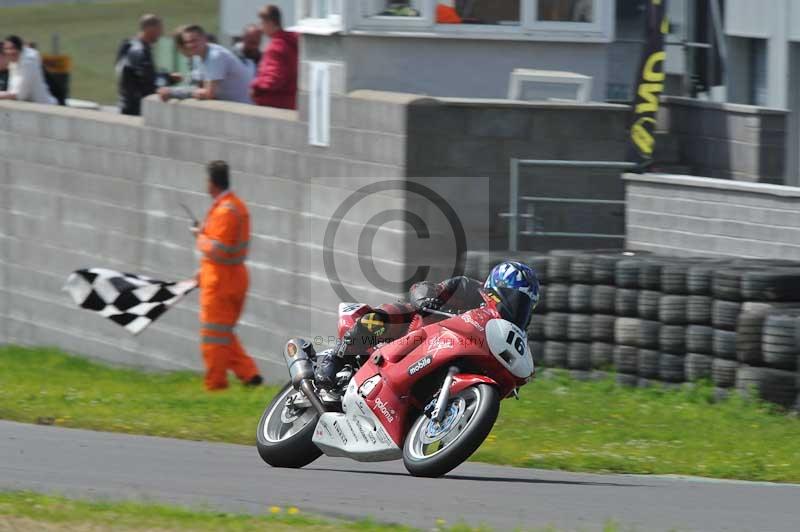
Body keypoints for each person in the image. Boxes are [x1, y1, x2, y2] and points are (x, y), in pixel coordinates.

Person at [315, 261, 540, 387]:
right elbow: (426, 288)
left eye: (525, 306)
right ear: (497, 287)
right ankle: (335, 357)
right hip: (416, 332)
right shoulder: (469, 288)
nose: (517, 308)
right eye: (515, 299)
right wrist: (427, 298)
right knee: (391, 315)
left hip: (447, 356)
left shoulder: (507, 335)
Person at [193, 161, 263, 391]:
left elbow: (218, 249)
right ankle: (249, 374)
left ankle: (215, 385)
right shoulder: (235, 206)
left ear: (211, 183)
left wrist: (199, 237)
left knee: (213, 337)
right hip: (230, 278)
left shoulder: (225, 210)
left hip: (221, 282)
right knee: (223, 334)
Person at [158, 25, 252, 104]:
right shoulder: (197, 56)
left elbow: (208, 94)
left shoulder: (215, 56)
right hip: (230, 106)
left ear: (205, 39)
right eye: (188, 42)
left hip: (245, 108)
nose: (191, 45)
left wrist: (173, 92)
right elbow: (198, 87)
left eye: (195, 40)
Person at [116, 14, 176, 116]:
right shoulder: (140, 51)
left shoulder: (129, 44)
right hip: (136, 110)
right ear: (149, 28)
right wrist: (169, 79)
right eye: (159, 29)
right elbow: (149, 82)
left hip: (127, 105)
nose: (161, 33)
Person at [250, 5, 298, 110]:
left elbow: (273, 79)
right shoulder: (290, 42)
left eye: (262, 23)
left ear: (270, 23)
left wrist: (255, 88)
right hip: (291, 103)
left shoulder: (276, 47)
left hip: (275, 105)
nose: (260, 28)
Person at [0, 35, 57, 104]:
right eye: (6, 49)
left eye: (12, 48)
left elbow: (20, 94)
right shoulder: (14, 63)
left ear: (19, 49)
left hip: (44, 107)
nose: (8, 52)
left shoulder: (28, 63)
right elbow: (12, 91)